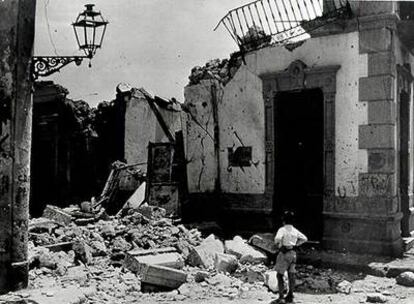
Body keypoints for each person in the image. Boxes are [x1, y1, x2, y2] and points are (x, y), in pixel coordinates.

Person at [273, 211, 308, 303]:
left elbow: (277, 239)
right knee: (291, 275)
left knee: (279, 275)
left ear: (283, 220)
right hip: (293, 253)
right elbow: (304, 239)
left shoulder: (282, 229)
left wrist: (279, 245)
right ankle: (290, 295)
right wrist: (296, 244)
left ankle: (281, 297)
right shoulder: (295, 230)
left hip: (284, 253)